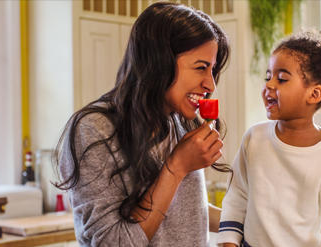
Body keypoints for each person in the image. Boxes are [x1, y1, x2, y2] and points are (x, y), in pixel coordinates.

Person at [54, 2, 231, 246]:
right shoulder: (94, 129)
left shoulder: (180, 121)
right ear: (159, 62)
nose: (210, 85)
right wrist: (176, 167)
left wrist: (249, 222)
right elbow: (112, 242)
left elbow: (184, 214)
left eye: (212, 69)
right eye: (201, 67)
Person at [217, 29, 321, 247]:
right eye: (268, 76)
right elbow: (237, 195)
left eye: (282, 79)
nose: (269, 84)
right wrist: (229, 242)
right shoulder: (254, 138)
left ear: (314, 94)